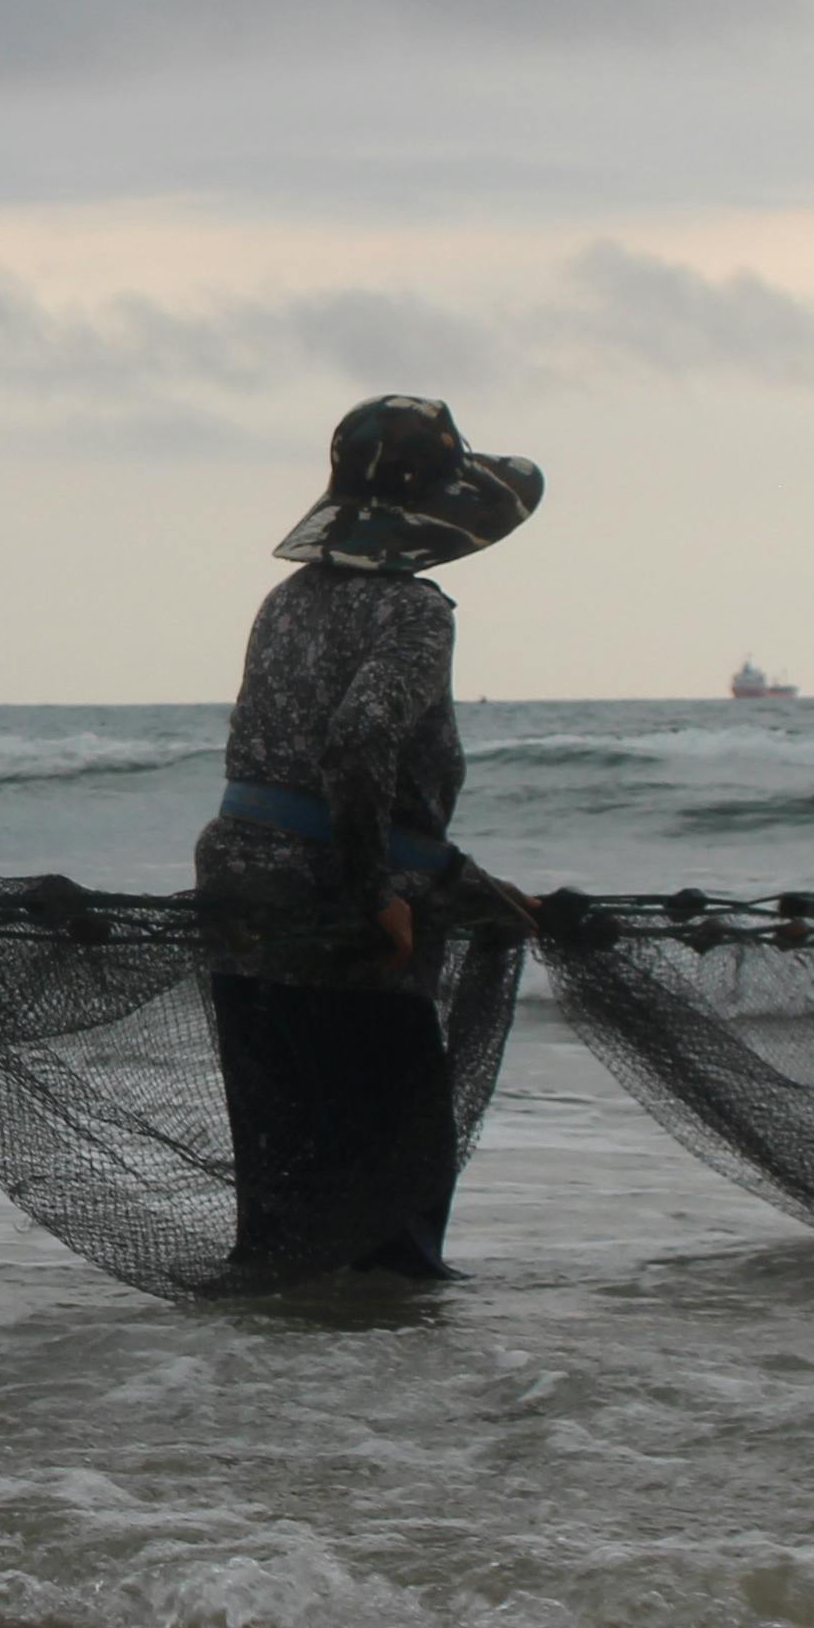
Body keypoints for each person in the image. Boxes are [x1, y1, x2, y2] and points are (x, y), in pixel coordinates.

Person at [192, 397, 544, 1281]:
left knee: (284, 1149)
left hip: (240, 882)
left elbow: (285, 773)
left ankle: (286, 1332)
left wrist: (465, 886)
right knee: (396, 1161)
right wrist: (375, 894)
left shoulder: (285, 602)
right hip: (336, 904)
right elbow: (355, 744)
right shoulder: (415, 611)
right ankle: (386, 1333)